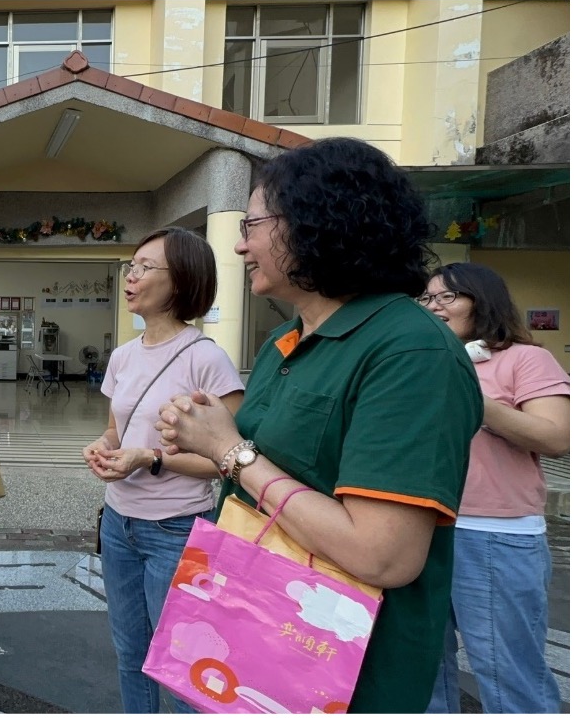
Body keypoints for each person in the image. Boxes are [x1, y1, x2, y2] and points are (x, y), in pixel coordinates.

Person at [154, 137, 482, 713]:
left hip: (339, 674)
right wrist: (205, 437)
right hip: (254, 641)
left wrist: (232, 452)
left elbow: (382, 555)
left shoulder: (411, 351)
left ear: (315, 223)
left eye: (253, 225)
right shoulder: (286, 341)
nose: (240, 245)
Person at [83, 227, 244, 713]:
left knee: (182, 665)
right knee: (129, 653)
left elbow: (229, 461)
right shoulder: (122, 356)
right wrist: (104, 448)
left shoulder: (207, 359)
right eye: (130, 266)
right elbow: (115, 430)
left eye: (145, 267)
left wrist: (151, 459)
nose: (130, 277)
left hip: (177, 531)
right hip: (118, 525)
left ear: (182, 280)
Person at [421, 263, 569, 714]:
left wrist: (472, 396)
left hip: (495, 535)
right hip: (421, 529)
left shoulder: (525, 359)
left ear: (482, 302)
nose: (433, 306)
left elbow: (556, 437)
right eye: (427, 298)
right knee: (425, 670)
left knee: (509, 676)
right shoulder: (422, 360)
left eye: (447, 297)